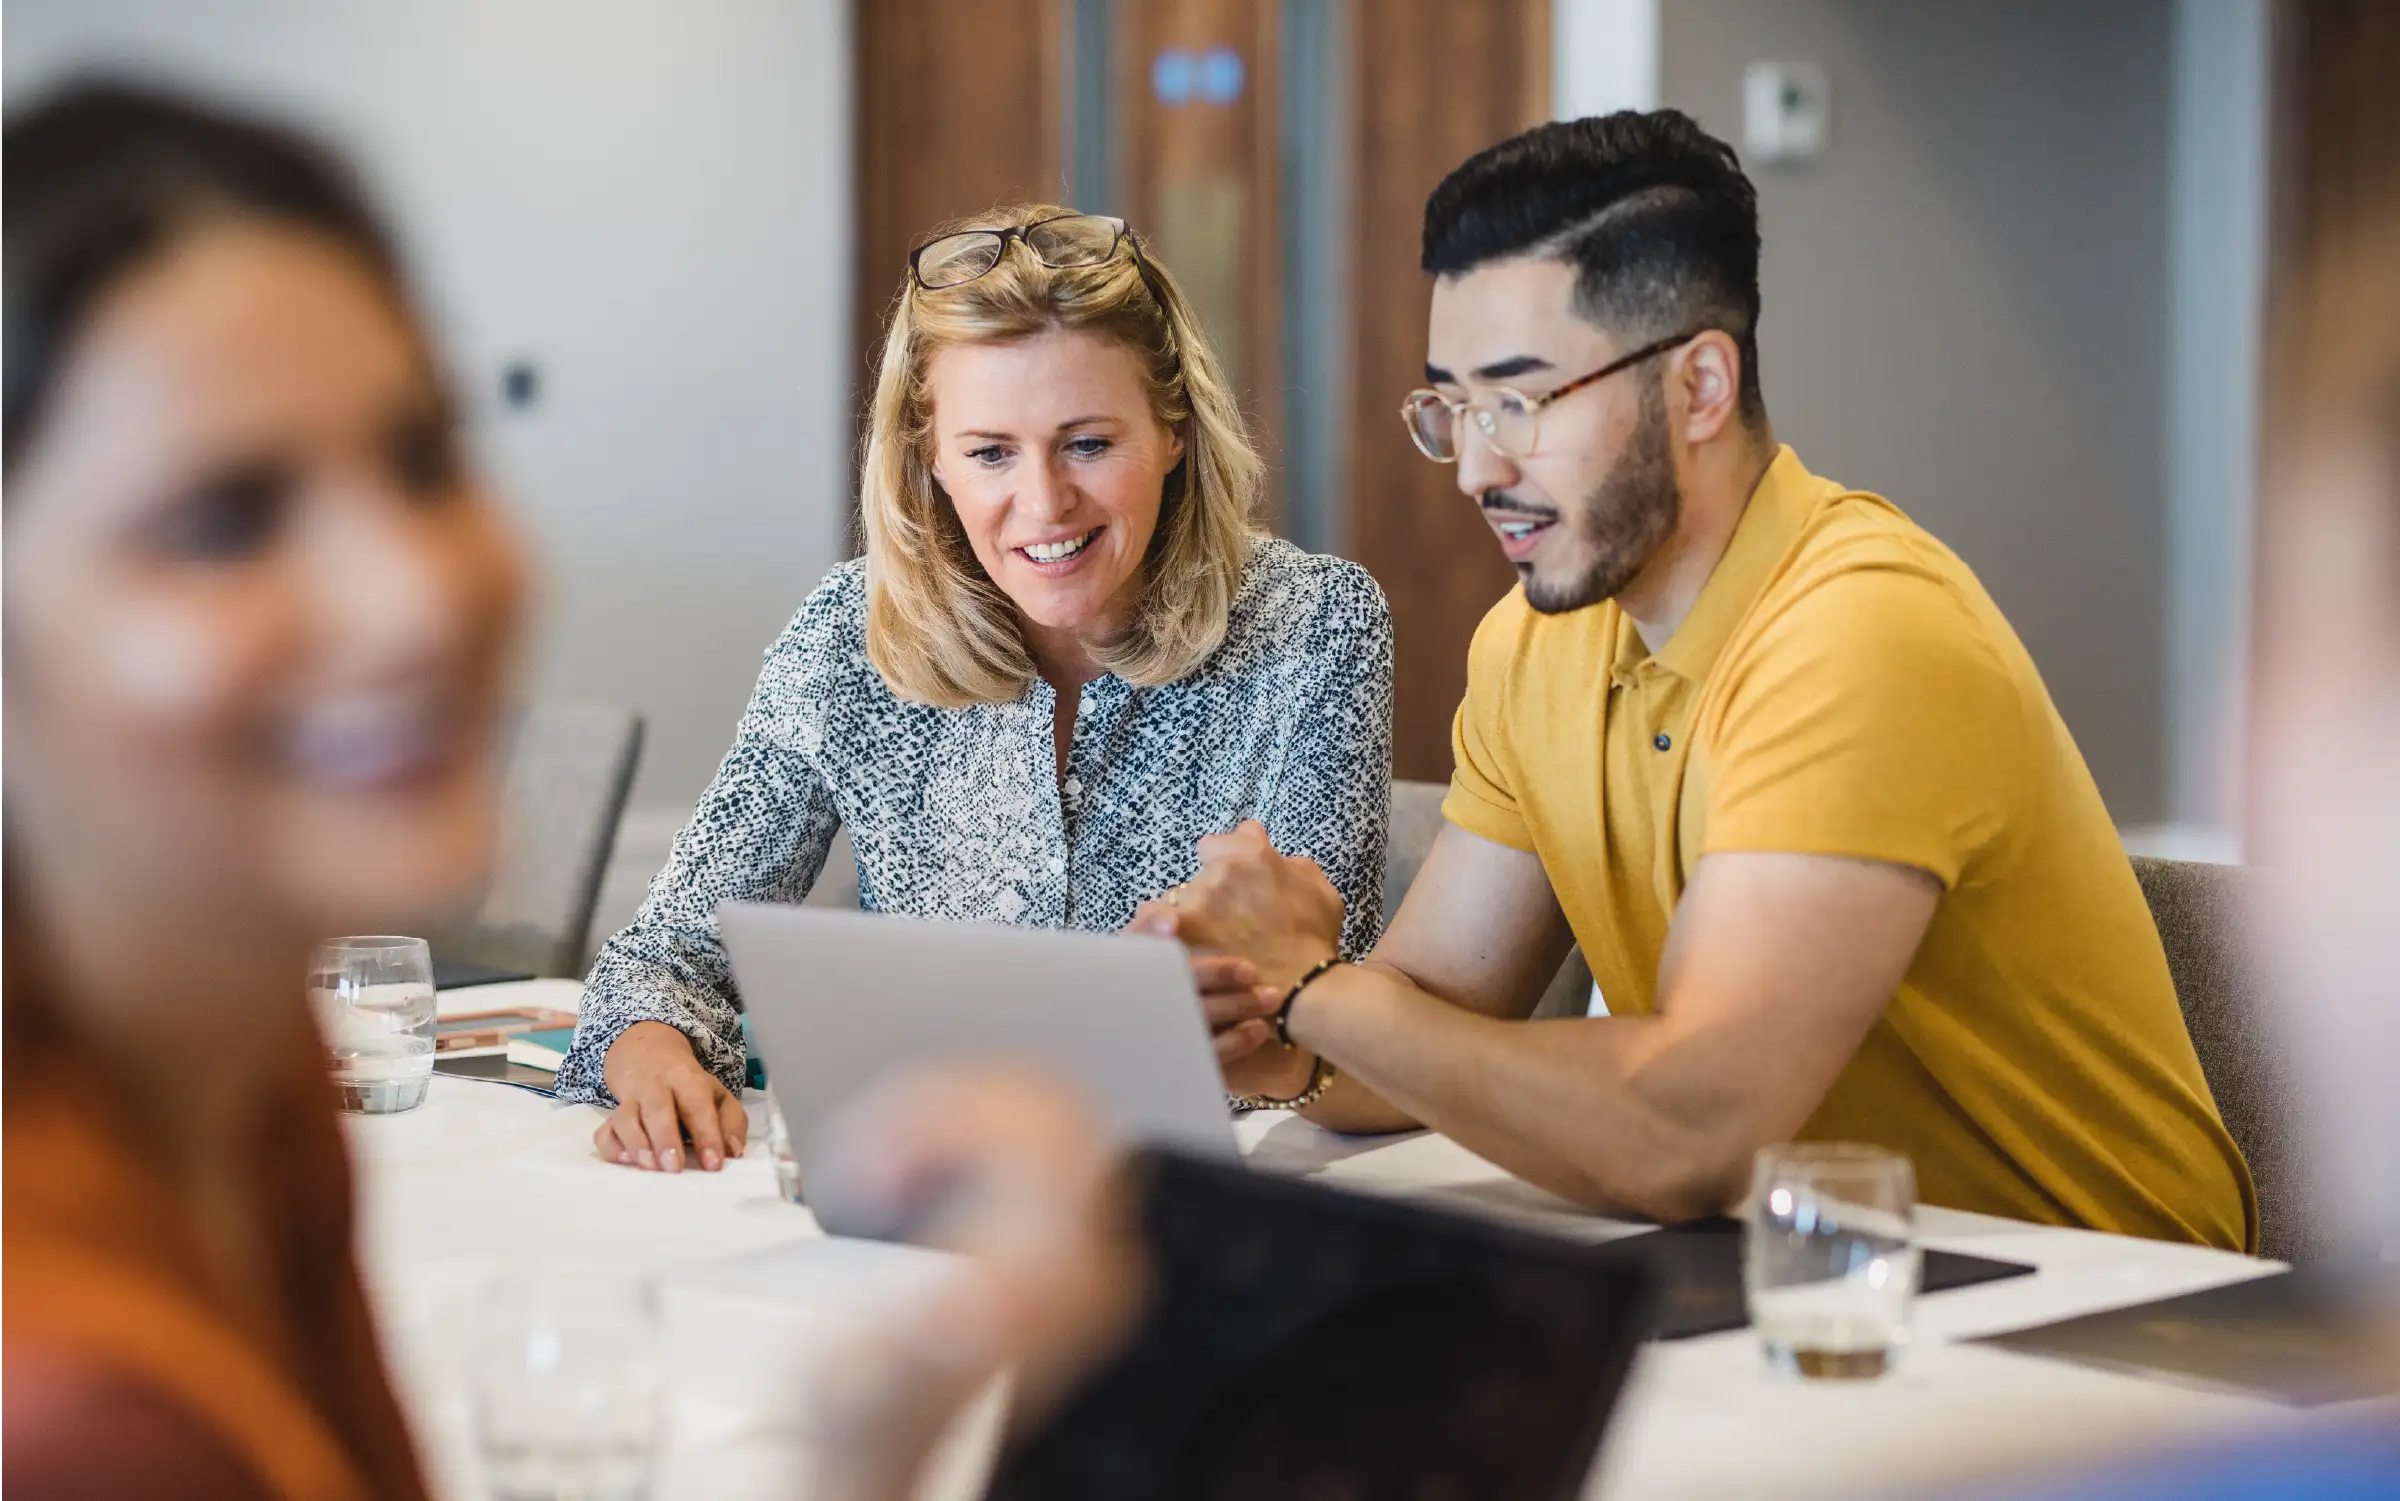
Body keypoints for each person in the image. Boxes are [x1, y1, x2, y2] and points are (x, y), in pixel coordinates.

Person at [0, 81, 1137, 1501]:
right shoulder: (77, 1406)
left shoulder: (254, 1092)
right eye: (224, 519)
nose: (412, 595)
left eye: (422, 454)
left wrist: (874, 1449)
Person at [1146, 110, 2255, 1249]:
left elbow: (1690, 1131)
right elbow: (1423, 1031)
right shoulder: (1536, 645)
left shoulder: (1858, 632)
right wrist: (1259, 1012)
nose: (1477, 468)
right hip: (1820, 1272)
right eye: (1455, 407)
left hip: (2115, 1316)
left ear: (1701, 386)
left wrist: (1321, 993)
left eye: (1520, 403)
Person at [562, 204, 1395, 1173]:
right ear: (930, 458)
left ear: (1174, 429)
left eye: (1088, 443)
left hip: (1221, 1204)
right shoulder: (848, 635)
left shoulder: (1318, 626)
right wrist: (652, 1057)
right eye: (991, 452)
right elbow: (662, 958)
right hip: (925, 1197)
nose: (1042, 504)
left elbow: (1344, 1023)